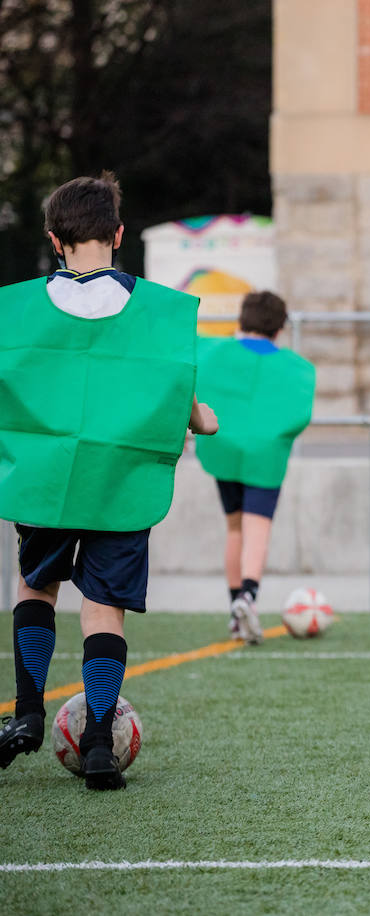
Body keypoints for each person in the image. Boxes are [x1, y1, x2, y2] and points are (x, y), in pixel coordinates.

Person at [0, 172, 217, 789]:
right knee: (104, 608)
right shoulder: (157, 312)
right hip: (120, 484)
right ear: (119, 235)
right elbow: (185, 403)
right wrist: (204, 419)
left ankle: (27, 717)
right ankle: (98, 744)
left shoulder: (15, 312)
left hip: (47, 481)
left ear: (53, 239)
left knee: (36, 588)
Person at [194, 291, 316, 643]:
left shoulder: (211, 351)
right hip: (266, 455)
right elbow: (299, 414)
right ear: (279, 329)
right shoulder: (297, 368)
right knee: (257, 527)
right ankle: (248, 596)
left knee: (234, 527)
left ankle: (236, 610)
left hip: (223, 449)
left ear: (241, 320)